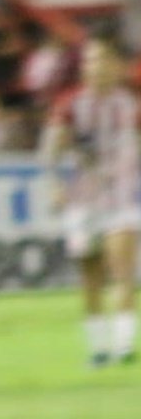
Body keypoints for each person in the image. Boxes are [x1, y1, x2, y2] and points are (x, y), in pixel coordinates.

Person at [43, 34, 138, 366]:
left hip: (124, 198)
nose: (94, 66)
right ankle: (98, 349)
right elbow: (51, 150)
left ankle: (125, 346)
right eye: (89, 60)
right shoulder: (70, 105)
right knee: (91, 278)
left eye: (100, 59)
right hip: (83, 202)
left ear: (118, 65)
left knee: (122, 269)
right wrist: (54, 184)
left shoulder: (132, 105)